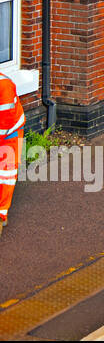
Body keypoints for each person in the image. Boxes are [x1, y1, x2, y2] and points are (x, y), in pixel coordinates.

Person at [0, 72, 24, 238]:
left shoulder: (4, 86)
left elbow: (5, 122)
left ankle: (1, 213)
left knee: (6, 172)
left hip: (10, 132)